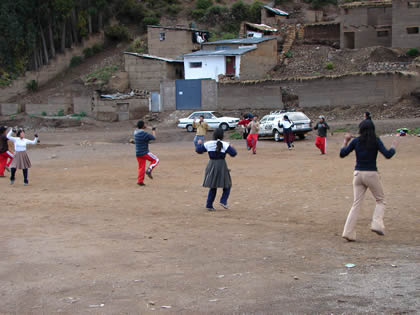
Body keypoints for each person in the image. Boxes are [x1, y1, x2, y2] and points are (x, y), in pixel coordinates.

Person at [340, 120, 399, 242]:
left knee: (356, 204)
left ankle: (348, 232)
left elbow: (342, 153)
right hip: (371, 173)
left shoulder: (356, 141)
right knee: (380, 200)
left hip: (357, 174)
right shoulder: (376, 140)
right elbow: (388, 155)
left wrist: (346, 141)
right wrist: (394, 146)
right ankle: (377, 224)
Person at [196, 128, 237, 211]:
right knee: (227, 184)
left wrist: (199, 144)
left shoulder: (209, 143)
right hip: (222, 164)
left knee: (213, 186)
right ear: (222, 136)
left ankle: (209, 205)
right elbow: (233, 153)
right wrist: (232, 147)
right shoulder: (225, 144)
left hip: (212, 164)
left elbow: (199, 150)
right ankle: (223, 200)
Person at [134, 120, 159, 186]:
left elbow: (141, 131)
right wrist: (153, 130)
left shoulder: (135, 132)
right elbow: (154, 138)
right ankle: (149, 170)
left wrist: (145, 127)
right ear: (143, 126)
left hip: (138, 153)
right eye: (144, 124)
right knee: (156, 160)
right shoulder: (144, 134)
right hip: (144, 152)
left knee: (141, 167)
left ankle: (140, 181)